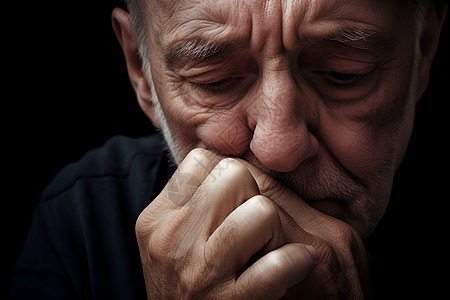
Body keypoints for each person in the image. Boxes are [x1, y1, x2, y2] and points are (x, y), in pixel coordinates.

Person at [9, 0, 448, 299]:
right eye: (213, 82)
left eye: (343, 74)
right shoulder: (82, 225)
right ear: (140, 71)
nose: (279, 148)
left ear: (423, 49)